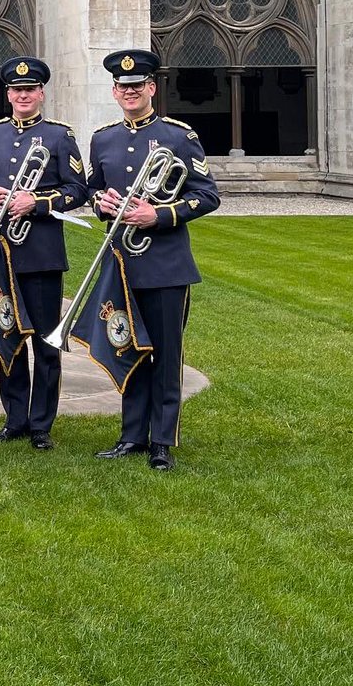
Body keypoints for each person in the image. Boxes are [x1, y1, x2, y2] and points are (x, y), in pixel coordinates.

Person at [87, 48, 220, 471]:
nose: (129, 92)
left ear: (151, 88)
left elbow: (207, 196)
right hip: (122, 263)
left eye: (136, 86)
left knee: (165, 354)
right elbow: (93, 190)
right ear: (114, 91)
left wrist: (158, 214)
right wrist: (103, 204)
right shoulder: (103, 138)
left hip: (166, 265)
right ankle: (131, 436)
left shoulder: (179, 136)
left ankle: (162, 440)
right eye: (122, 87)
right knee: (128, 346)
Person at [0, 57, 88, 450]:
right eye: (16, 90)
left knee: (45, 343)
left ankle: (41, 425)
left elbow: (77, 191)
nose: (23, 95)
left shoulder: (59, 136)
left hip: (41, 255)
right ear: (8, 94)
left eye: (30, 89)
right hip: (2, 253)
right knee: (9, 337)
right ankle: (14, 419)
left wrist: (35, 203)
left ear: (40, 93)